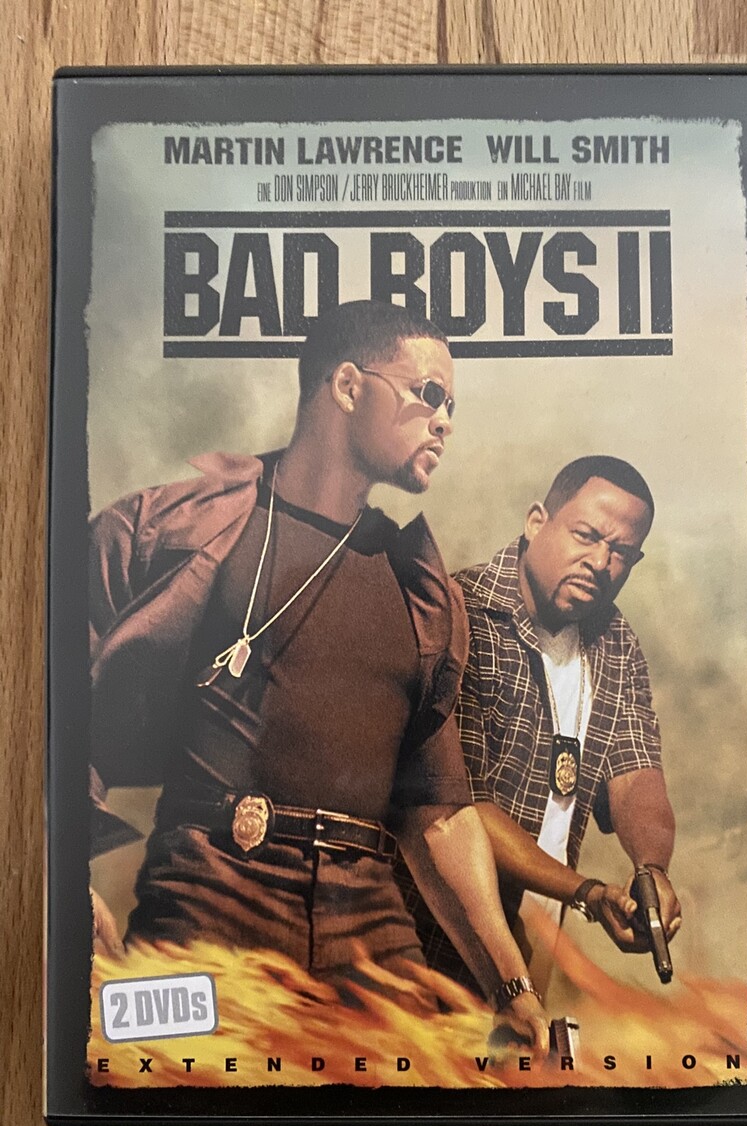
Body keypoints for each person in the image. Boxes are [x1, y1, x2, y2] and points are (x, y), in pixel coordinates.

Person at [88, 300, 547, 1048]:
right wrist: (65, 884)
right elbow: (48, 712)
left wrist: (511, 986)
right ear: (347, 386)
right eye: (429, 394)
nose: (444, 422)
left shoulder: (421, 591)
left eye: (452, 408)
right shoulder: (172, 532)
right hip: (209, 911)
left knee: (416, 1095)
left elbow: (438, 814)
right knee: (168, 1082)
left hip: (369, 936)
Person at [400, 456, 681, 992]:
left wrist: (652, 870)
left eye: (621, 552)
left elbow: (636, 774)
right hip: (429, 949)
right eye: (586, 536)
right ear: (536, 522)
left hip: (534, 957)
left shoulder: (616, 643)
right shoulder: (459, 614)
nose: (600, 562)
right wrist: (587, 892)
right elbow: (460, 808)